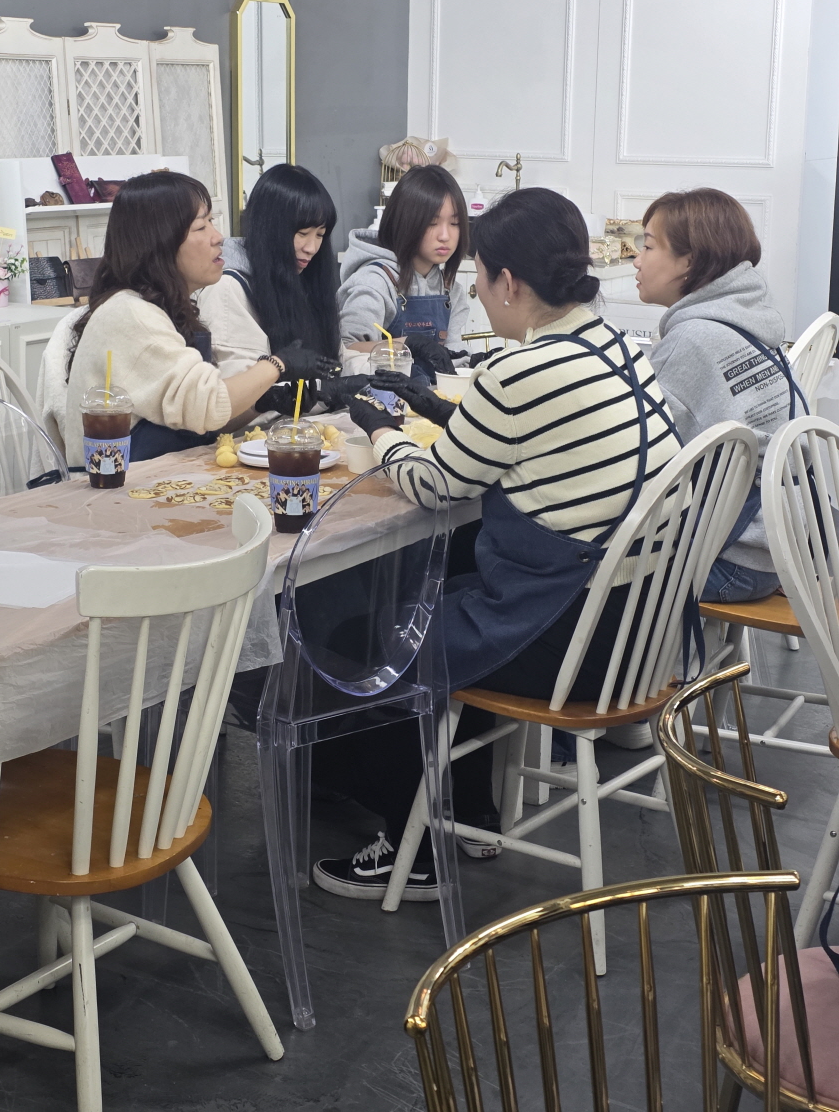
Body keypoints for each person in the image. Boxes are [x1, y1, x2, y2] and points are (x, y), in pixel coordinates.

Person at [311, 187, 681, 901]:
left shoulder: (520, 373)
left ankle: (413, 842)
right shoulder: (616, 346)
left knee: (369, 635)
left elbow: (434, 483)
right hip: (639, 628)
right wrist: (436, 408)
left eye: (481, 276)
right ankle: (468, 813)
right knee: (453, 587)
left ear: (508, 281)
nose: (478, 292)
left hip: (571, 640)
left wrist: (379, 429)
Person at [62, 171, 338, 467]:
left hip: (162, 474)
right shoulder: (131, 313)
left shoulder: (169, 308)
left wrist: (263, 402)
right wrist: (278, 365)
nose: (218, 237)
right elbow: (206, 406)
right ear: (161, 242)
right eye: (201, 226)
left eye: (212, 222)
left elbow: (199, 422)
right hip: (114, 484)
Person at [633, 187, 804, 604]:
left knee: (579, 566)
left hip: (730, 560)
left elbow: (642, 461)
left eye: (648, 246)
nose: (636, 259)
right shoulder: (750, 323)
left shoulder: (693, 339)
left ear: (689, 262)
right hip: (782, 546)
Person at [196, 163, 363, 409]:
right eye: (303, 233)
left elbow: (336, 360)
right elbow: (237, 399)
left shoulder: (306, 279)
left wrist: (381, 370)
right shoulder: (230, 289)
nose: (312, 248)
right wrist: (320, 391)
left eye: (320, 235)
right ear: (269, 229)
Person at [337, 164, 471, 382]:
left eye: (454, 223)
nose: (445, 236)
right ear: (405, 221)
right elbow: (347, 351)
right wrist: (407, 344)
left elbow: (453, 357)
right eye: (432, 222)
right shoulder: (375, 282)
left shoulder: (450, 290)